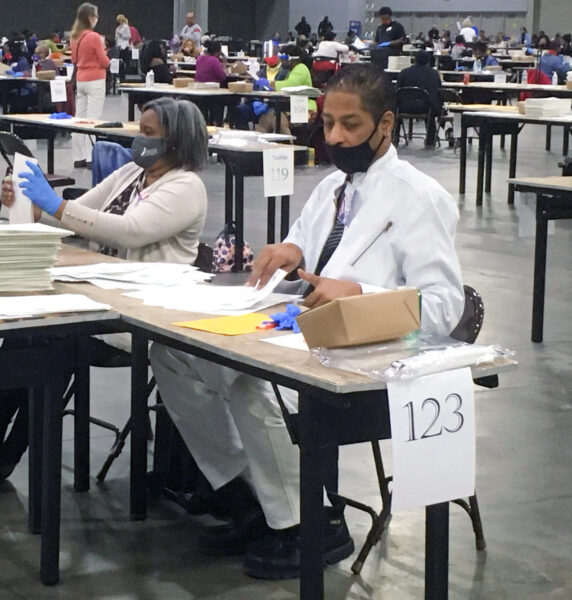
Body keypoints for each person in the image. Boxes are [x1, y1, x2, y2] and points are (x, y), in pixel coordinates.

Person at [149, 63, 464, 581]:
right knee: (175, 355)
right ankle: (247, 498)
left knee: (254, 384)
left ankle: (311, 523)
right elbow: (309, 253)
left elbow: (445, 306)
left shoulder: (420, 198)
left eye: (351, 125)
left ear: (386, 124)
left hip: (371, 354)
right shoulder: (332, 188)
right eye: (328, 123)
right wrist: (291, 251)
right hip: (304, 333)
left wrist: (358, 292)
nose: (335, 136)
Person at [0, 97, 209, 496]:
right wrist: (29, 201)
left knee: (46, 340)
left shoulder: (186, 187)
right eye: (139, 131)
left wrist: (54, 203)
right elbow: (78, 212)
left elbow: (126, 230)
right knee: (22, 330)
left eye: (149, 134)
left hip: (142, 315)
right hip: (100, 295)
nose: (138, 141)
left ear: (177, 142)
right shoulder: (132, 172)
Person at [69, 2, 109, 168]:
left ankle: (78, 157)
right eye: (96, 16)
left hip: (81, 79)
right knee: (93, 119)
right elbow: (104, 61)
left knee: (79, 119)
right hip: (96, 80)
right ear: (90, 18)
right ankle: (90, 157)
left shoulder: (74, 36)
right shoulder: (94, 37)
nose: (97, 19)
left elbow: (73, 60)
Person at [396, 50, 441, 147]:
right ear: (429, 61)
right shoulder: (434, 74)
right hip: (425, 108)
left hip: (404, 107)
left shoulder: (404, 72)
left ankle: (394, 136)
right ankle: (430, 139)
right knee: (432, 106)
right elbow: (437, 92)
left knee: (396, 106)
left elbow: (397, 91)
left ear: (414, 60)